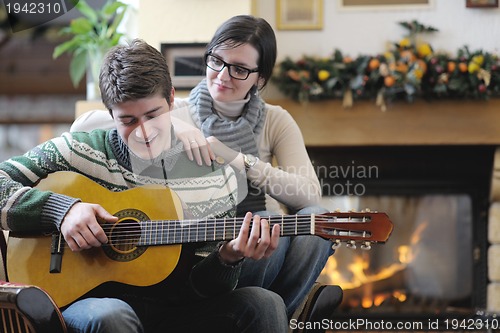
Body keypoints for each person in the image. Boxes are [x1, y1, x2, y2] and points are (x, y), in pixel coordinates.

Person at [72, 15, 342, 331]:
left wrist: (237, 159)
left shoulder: (275, 121)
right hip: (206, 252)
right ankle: (271, 315)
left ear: (260, 78)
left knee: (316, 222)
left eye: (240, 69)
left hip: (262, 241)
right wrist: (175, 123)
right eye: (216, 61)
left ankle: (281, 316)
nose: (223, 76)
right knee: (265, 244)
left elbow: (310, 195)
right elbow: (85, 125)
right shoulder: (173, 108)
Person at [1, 39, 291, 332]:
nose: (144, 132)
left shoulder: (215, 177)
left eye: (154, 115)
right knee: (112, 314)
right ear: (111, 115)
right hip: (90, 304)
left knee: (264, 303)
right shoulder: (76, 151)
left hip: (175, 311)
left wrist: (228, 258)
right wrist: (62, 210)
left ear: (172, 100)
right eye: (128, 120)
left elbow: (200, 290)